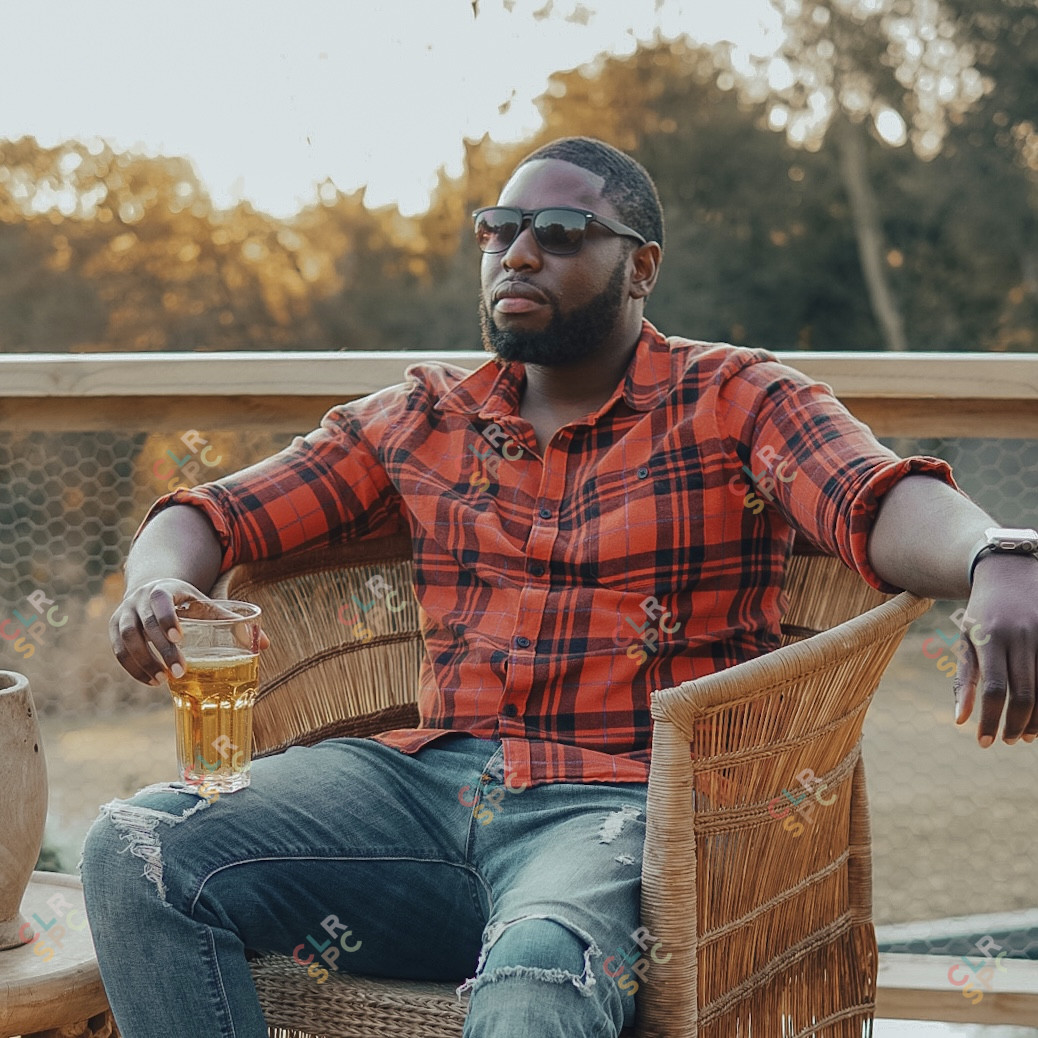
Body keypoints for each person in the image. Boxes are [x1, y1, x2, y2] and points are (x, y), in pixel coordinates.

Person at [81, 136, 1038, 1038]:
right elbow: (212, 515)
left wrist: (996, 555)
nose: (517, 253)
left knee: (540, 977)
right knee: (137, 850)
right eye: (497, 230)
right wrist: (157, 582)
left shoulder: (733, 397)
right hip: (417, 789)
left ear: (643, 266)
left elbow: (873, 500)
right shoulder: (424, 416)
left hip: (620, 807)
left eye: (560, 233)